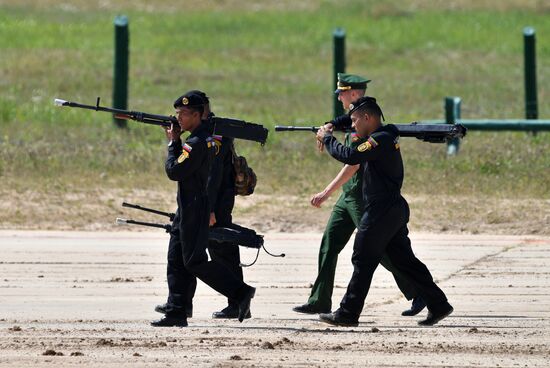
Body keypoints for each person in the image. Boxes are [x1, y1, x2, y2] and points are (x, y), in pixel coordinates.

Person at [293, 73, 425, 317]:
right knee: (329, 244)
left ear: (353, 93)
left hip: (361, 196)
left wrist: (325, 192)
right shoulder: (357, 116)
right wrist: (330, 124)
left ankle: (418, 291)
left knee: (379, 251)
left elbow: (352, 163)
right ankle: (319, 299)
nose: (339, 96)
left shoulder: (362, 126)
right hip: (348, 195)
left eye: (342, 92)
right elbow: (342, 120)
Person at [316, 96, 453, 326]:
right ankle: (438, 304)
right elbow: (352, 126)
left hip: (382, 211)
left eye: (355, 120)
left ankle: (348, 313)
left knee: (363, 258)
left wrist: (328, 139)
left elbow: (350, 156)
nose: (352, 125)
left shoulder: (379, 140)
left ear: (368, 118)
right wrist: (332, 124)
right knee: (404, 262)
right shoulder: (384, 136)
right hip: (391, 210)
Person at [151, 91, 255, 327]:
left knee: (194, 261)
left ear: (198, 115)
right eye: (178, 114)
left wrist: (172, 143)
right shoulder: (204, 137)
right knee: (176, 259)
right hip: (187, 208)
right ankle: (176, 311)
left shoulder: (196, 143)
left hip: (195, 210)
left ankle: (240, 292)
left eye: (184, 114)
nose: (179, 119)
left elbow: (174, 171)